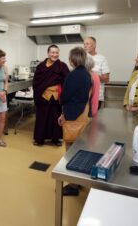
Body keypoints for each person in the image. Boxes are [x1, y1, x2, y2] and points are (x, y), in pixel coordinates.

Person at [58, 47, 92, 196]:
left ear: (73, 59)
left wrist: (62, 112)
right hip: (83, 114)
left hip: (73, 115)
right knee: (80, 148)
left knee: (71, 149)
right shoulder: (86, 74)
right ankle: (78, 181)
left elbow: (65, 97)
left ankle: (73, 185)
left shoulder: (73, 75)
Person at [33, 44, 70, 146]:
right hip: (43, 95)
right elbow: (36, 81)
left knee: (55, 117)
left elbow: (67, 80)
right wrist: (39, 91)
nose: (55, 54)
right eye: (53, 52)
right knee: (42, 117)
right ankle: (39, 139)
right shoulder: (40, 66)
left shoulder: (62, 66)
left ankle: (56, 139)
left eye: (57, 52)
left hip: (56, 96)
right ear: (48, 53)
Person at [84, 36, 110, 109]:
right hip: (83, 96)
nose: (85, 46)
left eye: (87, 44)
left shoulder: (102, 58)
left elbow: (106, 79)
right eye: (84, 44)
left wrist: (92, 75)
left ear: (94, 45)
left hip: (97, 96)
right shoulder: (82, 58)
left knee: (95, 119)